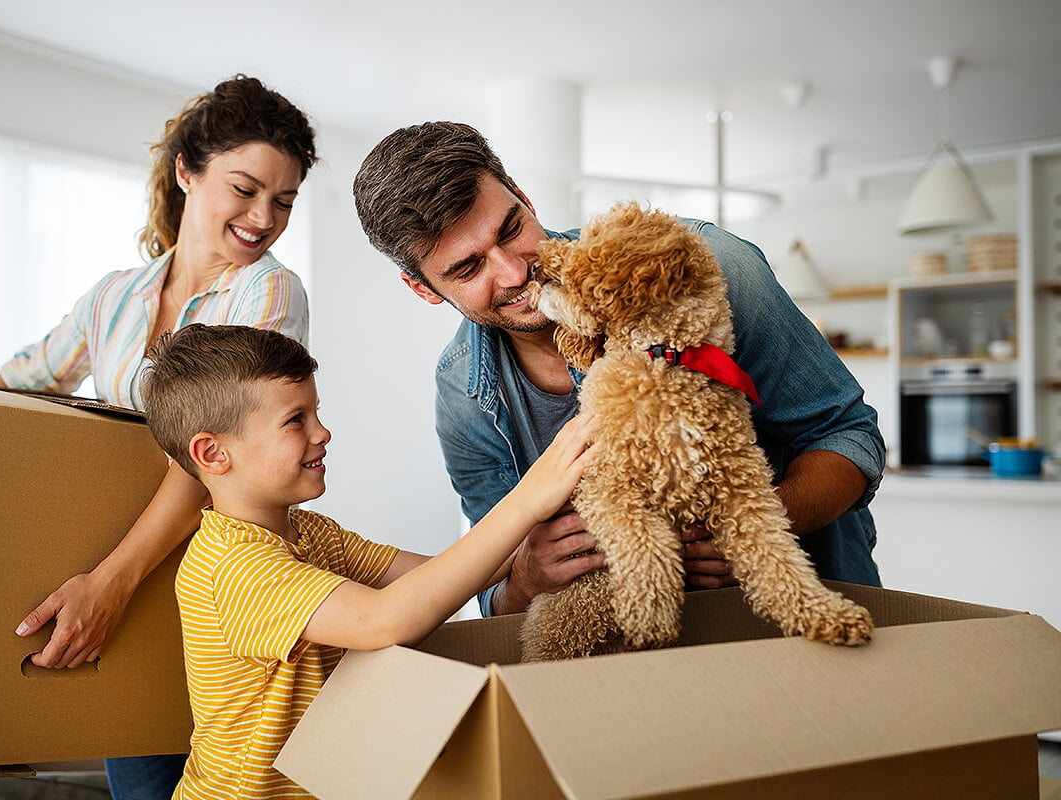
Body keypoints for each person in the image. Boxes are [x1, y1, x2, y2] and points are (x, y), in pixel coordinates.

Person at [352, 121, 885, 620]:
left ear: (524, 196)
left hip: (804, 619)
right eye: (468, 268)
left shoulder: (697, 267)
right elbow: (491, 588)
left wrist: (754, 528)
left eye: (512, 229)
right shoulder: (460, 392)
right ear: (423, 288)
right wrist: (528, 581)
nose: (516, 272)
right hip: (633, 672)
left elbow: (848, 435)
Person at [0, 75, 317, 800]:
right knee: (141, 783)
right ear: (186, 172)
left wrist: (109, 583)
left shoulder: (267, 292)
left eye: (284, 201)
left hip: (219, 584)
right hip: (124, 574)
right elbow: (12, 387)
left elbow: (213, 457)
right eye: (246, 188)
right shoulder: (113, 298)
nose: (265, 217)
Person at [137, 323, 595, 798]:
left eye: (317, 412)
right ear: (213, 453)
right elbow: (385, 620)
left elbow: (437, 572)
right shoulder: (232, 565)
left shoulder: (311, 533)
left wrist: (537, 539)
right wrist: (528, 498)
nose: (323, 431)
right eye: (296, 420)